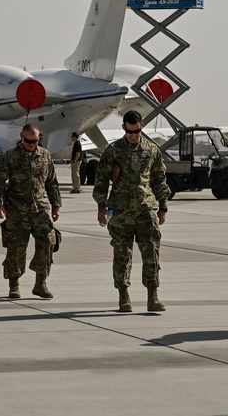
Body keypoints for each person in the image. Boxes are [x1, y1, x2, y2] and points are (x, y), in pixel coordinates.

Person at [92, 110, 170, 313]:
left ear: (141, 126)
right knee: (122, 256)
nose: (133, 135)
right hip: (120, 212)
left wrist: (163, 207)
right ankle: (123, 297)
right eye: (129, 131)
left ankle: (153, 296)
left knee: (151, 254)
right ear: (123, 128)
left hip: (146, 210)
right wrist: (101, 206)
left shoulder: (152, 150)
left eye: (136, 131)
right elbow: (100, 181)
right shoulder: (113, 150)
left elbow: (160, 179)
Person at [0, 123, 60, 299]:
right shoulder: (11, 156)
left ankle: (40, 283)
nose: (32, 144)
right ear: (22, 137)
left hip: (40, 208)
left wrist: (56, 206)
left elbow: (52, 183)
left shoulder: (45, 156)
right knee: (16, 247)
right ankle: (14, 284)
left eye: (35, 141)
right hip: (17, 208)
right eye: (29, 141)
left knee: (48, 242)